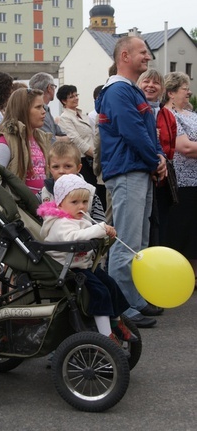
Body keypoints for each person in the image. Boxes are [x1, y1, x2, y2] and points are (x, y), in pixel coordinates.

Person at [95, 36, 167, 328]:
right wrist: (156, 160)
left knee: (137, 241)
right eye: (142, 52)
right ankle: (122, 307)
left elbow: (147, 132)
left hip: (137, 170)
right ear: (125, 55)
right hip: (128, 171)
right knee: (126, 241)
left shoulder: (129, 91)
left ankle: (133, 299)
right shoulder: (118, 91)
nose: (147, 57)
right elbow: (133, 132)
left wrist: (158, 157)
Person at [37, 174, 136, 350]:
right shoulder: (61, 223)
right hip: (68, 270)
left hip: (83, 265)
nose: (81, 206)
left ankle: (116, 321)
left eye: (84, 201)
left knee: (111, 284)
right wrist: (98, 229)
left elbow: (89, 230)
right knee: (99, 292)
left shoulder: (80, 218)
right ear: (60, 203)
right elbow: (75, 237)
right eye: (74, 202)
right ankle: (107, 335)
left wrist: (105, 231)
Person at [163, 72, 197, 287]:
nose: (190, 92)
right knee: (182, 230)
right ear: (171, 93)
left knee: (195, 231)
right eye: (185, 88)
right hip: (181, 181)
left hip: (196, 181)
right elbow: (184, 147)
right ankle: (181, 277)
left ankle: (194, 275)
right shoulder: (169, 115)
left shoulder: (191, 114)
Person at [137, 69, 177, 245]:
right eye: (146, 81)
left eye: (156, 83)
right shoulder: (133, 109)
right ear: (138, 85)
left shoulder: (167, 115)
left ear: (162, 89)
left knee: (159, 228)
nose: (151, 86)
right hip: (138, 174)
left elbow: (171, 148)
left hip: (161, 179)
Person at [0, 87, 51, 194]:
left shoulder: (41, 138)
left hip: (41, 206)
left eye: (43, 107)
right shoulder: (6, 142)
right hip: (20, 207)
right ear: (23, 110)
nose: (43, 111)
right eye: (38, 107)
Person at [37, 141, 106, 224]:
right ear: (49, 169)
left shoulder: (90, 194)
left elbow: (101, 226)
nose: (61, 171)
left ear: (78, 168)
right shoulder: (44, 195)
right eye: (56, 167)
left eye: (68, 166)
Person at [56, 84, 99, 192]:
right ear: (64, 101)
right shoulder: (65, 118)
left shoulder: (82, 115)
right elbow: (77, 140)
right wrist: (97, 155)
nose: (76, 98)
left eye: (76, 95)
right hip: (82, 160)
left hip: (92, 159)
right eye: (71, 97)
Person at [29, 72, 68, 143]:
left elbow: (60, 133)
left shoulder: (46, 110)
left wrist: (56, 138)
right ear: (49, 88)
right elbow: (50, 142)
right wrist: (60, 139)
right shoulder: (40, 113)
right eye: (54, 87)